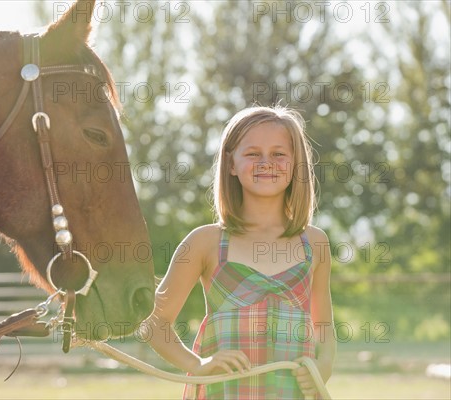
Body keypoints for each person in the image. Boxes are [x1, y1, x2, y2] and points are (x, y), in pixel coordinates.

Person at [143, 106, 336, 399]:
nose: (266, 162)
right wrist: (197, 364)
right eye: (253, 153)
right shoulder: (204, 243)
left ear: (296, 164)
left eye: (279, 154)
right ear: (231, 163)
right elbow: (154, 323)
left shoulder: (315, 243)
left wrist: (322, 368)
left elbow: (324, 329)